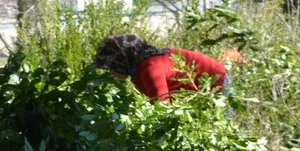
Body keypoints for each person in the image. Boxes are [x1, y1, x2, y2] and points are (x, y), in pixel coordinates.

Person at [94, 34, 228, 102]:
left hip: (216, 82)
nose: (112, 72)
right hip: (201, 90)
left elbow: (162, 106)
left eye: (111, 67)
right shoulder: (137, 71)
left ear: (121, 61)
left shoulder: (149, 69)